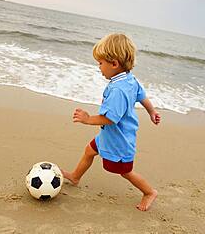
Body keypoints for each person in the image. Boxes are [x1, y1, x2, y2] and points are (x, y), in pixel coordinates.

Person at [62, 33, 160, 211]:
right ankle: (75, 176)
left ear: (114, 63)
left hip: (119, 142)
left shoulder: (118, 90)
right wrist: (151, 111)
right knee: (89, 150)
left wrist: (87, 119)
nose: (99, 68)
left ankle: (149, 192)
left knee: (125, 172)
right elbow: (142, 96)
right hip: (108, 136)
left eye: (100, 63)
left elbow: (109, 118)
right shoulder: (130, 80)